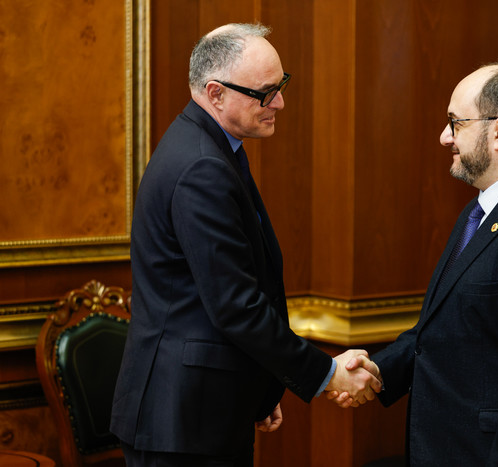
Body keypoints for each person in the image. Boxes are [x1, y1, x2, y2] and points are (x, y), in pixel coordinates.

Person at [110, 23, 380, 467]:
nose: (280, 103)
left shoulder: (212, 148)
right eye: (265, 93)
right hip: (181, 423)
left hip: (203, 410)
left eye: (281, 85)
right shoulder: (201, 166)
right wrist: (328, 372)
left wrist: (260, 389)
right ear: (215, 94)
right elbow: (236, 306)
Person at [334, 64, 498, 466]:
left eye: (455, 123)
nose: (445, 137)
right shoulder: (481, 210)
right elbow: (443, 329)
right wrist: (377, 370)